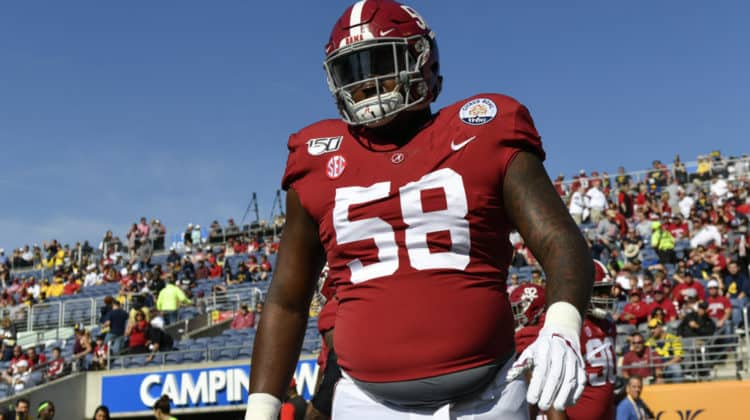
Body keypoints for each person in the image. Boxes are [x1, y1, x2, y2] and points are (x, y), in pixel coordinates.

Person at [245, 1, 594, 419]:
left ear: (422, 62)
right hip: (366, 401)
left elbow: (559, 239)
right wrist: (261, 409)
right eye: (352, 72)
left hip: (489, 398)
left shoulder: (482, 129)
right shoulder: (316, 157)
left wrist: (562, 323)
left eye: (379, 63)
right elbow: (287, 298)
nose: (367, 84)